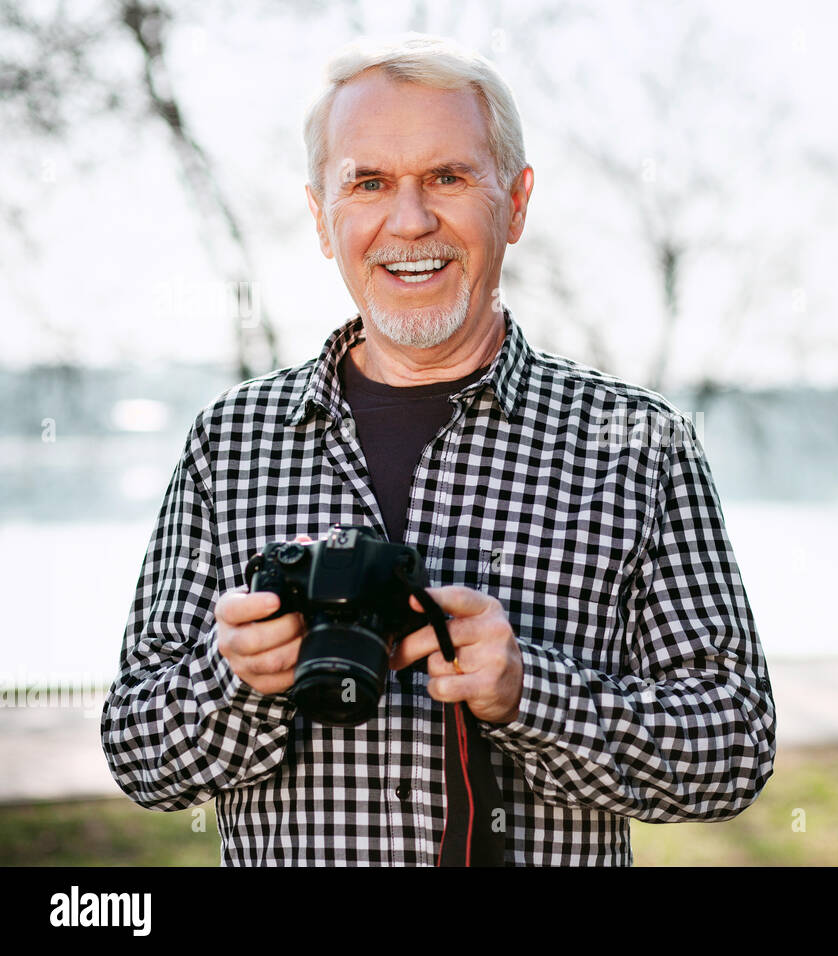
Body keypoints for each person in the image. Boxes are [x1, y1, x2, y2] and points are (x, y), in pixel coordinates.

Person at [101, 34, 776, 866]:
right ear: (321, 217)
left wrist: (530, 693)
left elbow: (736, 745)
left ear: (516, 202)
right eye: (369, 182)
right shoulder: (231, 442)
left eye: (448, 177)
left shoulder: (640, 443)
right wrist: (238, 682)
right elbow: (139, 752)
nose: (410, 220)